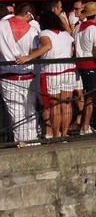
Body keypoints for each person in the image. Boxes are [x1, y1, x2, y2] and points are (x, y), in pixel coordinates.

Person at [22, 10, 77, 140]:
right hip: (68, 70)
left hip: (52, 71)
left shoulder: (44, 33)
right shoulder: (67, 35)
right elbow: (71, 52)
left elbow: (47, 46)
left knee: (54, 106)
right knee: (66, 104)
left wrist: (29, 57)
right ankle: (64, 134)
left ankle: (56, 134)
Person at [0, 5, 41, 145]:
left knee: (16, 112)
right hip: (28, 75)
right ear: (28, 14)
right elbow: (36, 53)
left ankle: (22, 142)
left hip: (7, 75)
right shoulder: (33, 30)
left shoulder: (1, 26)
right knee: (30, 110)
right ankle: (33, 141)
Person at [72, 1, 96, 135]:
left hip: (79, 64)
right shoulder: (95, 30)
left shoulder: (77, 28)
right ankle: (85, 126)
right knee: (91, 98)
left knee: (84, 96)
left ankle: (82, 123)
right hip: (91, 65)